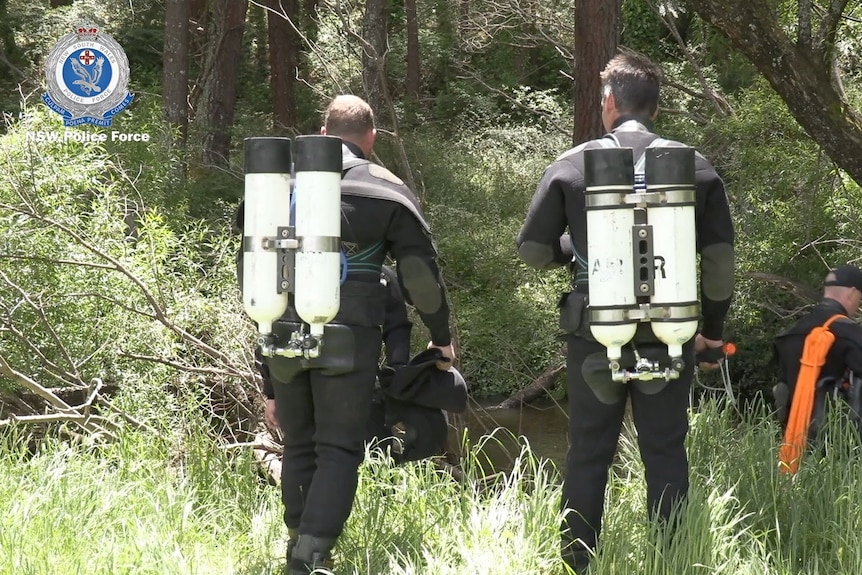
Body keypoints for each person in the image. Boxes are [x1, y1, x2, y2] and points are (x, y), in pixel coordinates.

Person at [515, 53, 735, 572]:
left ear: (608, 102)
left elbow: (531, 250)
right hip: (671, 329)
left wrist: (573, 249)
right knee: (664, 450)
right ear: (655, 107)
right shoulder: (696, 169)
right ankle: (673, 559)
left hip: (596, 332)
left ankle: (576, 562)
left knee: (589, 451)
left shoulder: (572, 165)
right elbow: (720, 262)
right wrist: (712, 333)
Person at [252, 94, 455, 575]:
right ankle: (310, 560)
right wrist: (441, 337)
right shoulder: (387, 189)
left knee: (298, 444)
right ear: (372, 139)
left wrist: (267, 382)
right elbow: (420, 277)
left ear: (322, 134)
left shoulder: (277, 185)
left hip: (280, 330)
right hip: (350, 335)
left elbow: (261, 272)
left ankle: (298, 547)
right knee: (339, 448)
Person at [773, 264, 862, 471]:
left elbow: (782, 390)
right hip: (842, 455)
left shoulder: (790, 334)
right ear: (851, 292)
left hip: (794, 446)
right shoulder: (850, 334)